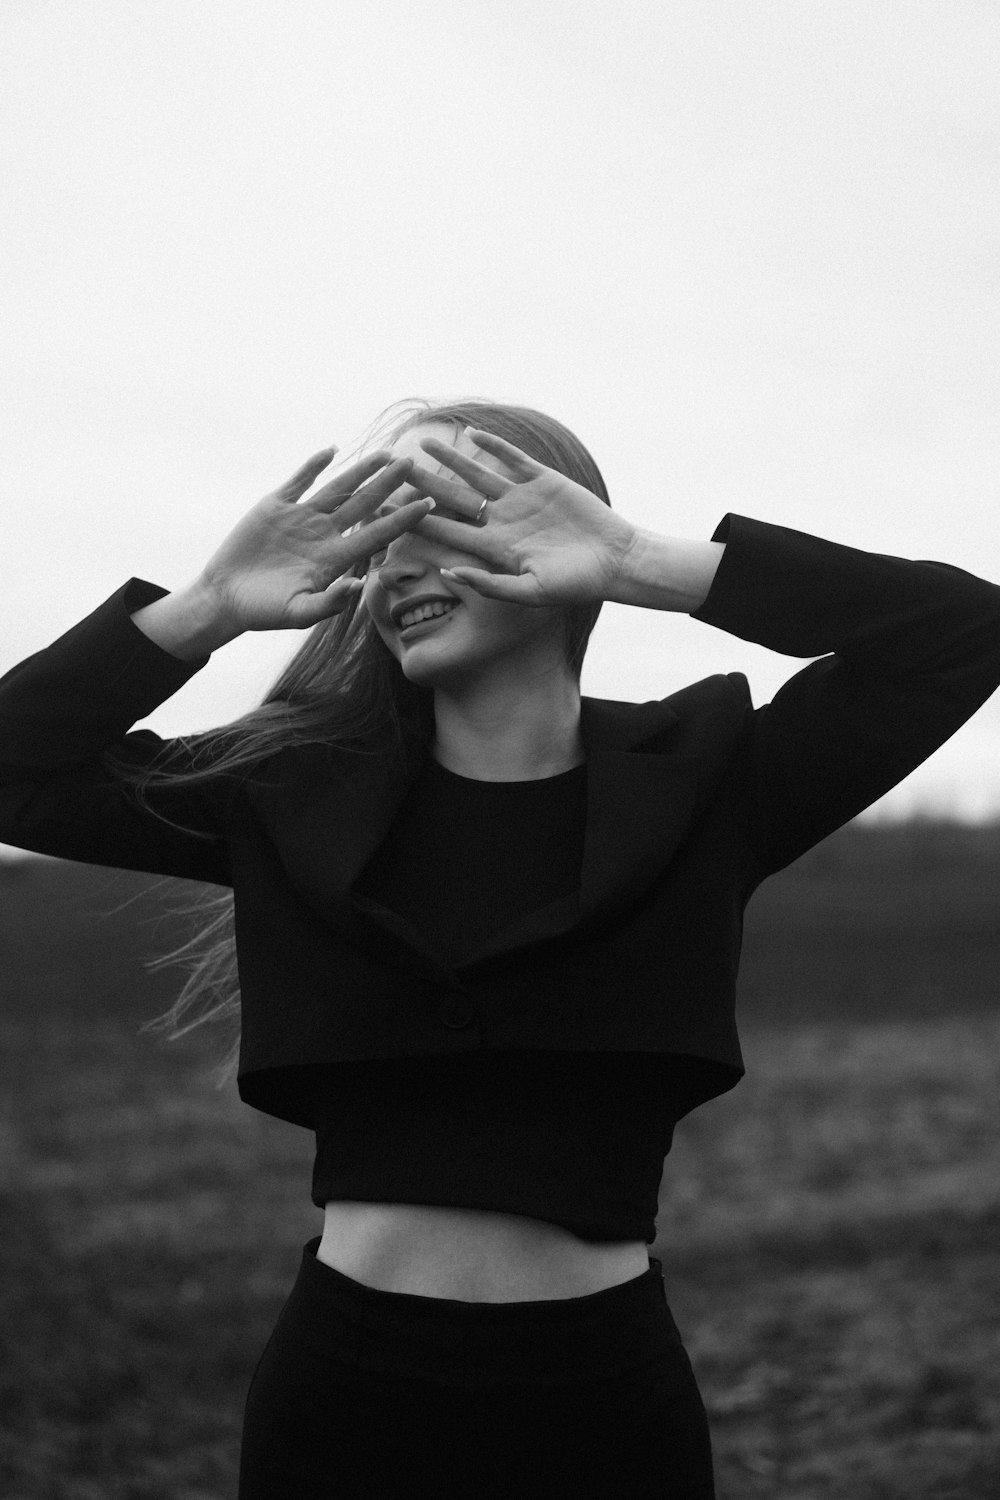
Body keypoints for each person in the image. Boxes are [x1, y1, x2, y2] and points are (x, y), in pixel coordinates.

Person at [1, 397, 998, 1499]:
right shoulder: (288, 792)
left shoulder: (712, 777)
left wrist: (641, 560)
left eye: (445, 521)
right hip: (346, 1398)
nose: (399, 569)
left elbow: (959, 636)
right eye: (381, 541)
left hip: (602, 1401)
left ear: (554, 528)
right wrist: (205, 610)